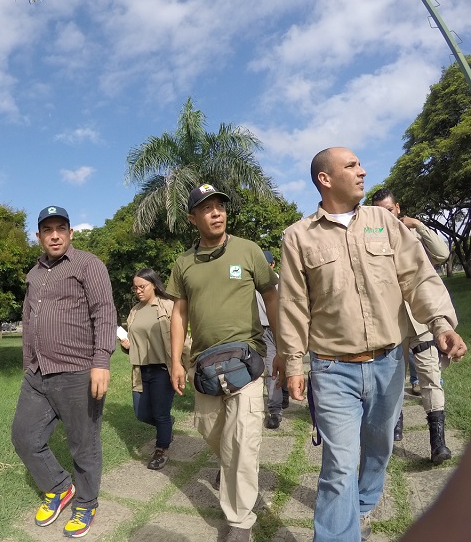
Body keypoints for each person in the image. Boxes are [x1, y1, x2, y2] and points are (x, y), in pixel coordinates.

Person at [277, 147, 466, 542]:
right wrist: (293, 364)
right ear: (325, 179)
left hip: (389, 363)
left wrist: (440, 323)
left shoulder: (384, 222)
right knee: (340, 464)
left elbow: (418, 276)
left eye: (361, 163)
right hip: (332, 369)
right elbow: (293, 305)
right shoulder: (298, 236)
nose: (362, 171)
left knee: (379, 448)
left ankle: (362, 504)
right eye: (351, 165)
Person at [167, 184, 280, 542]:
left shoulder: (248, 250)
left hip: (247, 360)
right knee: (211, 431)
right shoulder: (184, 263)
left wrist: (284, 348)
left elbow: (272, 296)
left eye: (220, 206)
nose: (216, 213)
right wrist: (175, 361)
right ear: (192, 219)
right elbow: (178, 314)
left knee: (242, 442)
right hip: (204, 365)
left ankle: (240, 522)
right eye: (207, 208)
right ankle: (231, 470)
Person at [11, 205, 117, 538]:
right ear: (38, 236)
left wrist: (101, 362)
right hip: (38, 373)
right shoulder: (34, 274)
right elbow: (28, 319)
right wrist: (28, 362)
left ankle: (86, 503)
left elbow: (104, 312)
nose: (54, 235)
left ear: (70, 233)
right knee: (24, 437)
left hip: (77, 372)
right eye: (48, 230)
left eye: (61, 229)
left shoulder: (88, 264)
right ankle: (58, 487)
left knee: (83, 445)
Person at [371, 187, 452, 464]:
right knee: (392, 380)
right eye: (379, 212)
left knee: (430, 378)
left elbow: (441, 254)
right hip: (390, 323)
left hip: (421, 321)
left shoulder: (414, 234)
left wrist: (418, 225)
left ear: (398, 208)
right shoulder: (373, 239)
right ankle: (396, 423)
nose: (386, 216)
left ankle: (438, 442)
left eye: (389, 210)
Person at [117, 268, 178, 470]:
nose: (138, 291)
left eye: (142, 287)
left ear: (154, 284)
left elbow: (181, 337)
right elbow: (135, 340)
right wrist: (127, 345)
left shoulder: (168, 306)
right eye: (135, 288)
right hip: (141, 369)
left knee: (160, 413)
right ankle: (167, 425)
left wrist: (181, 365)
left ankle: (161, 450)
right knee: (141, 413)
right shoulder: (135, 310)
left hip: (163, 368)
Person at [257, 250, 289, 429]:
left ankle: (278, 405)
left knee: (276, 367)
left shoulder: (281, 283)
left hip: (277, 329)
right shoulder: (252, 282)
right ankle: (275, 408)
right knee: (269, 369)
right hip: (259, 329)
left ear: (272, 264)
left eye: (266, 264)